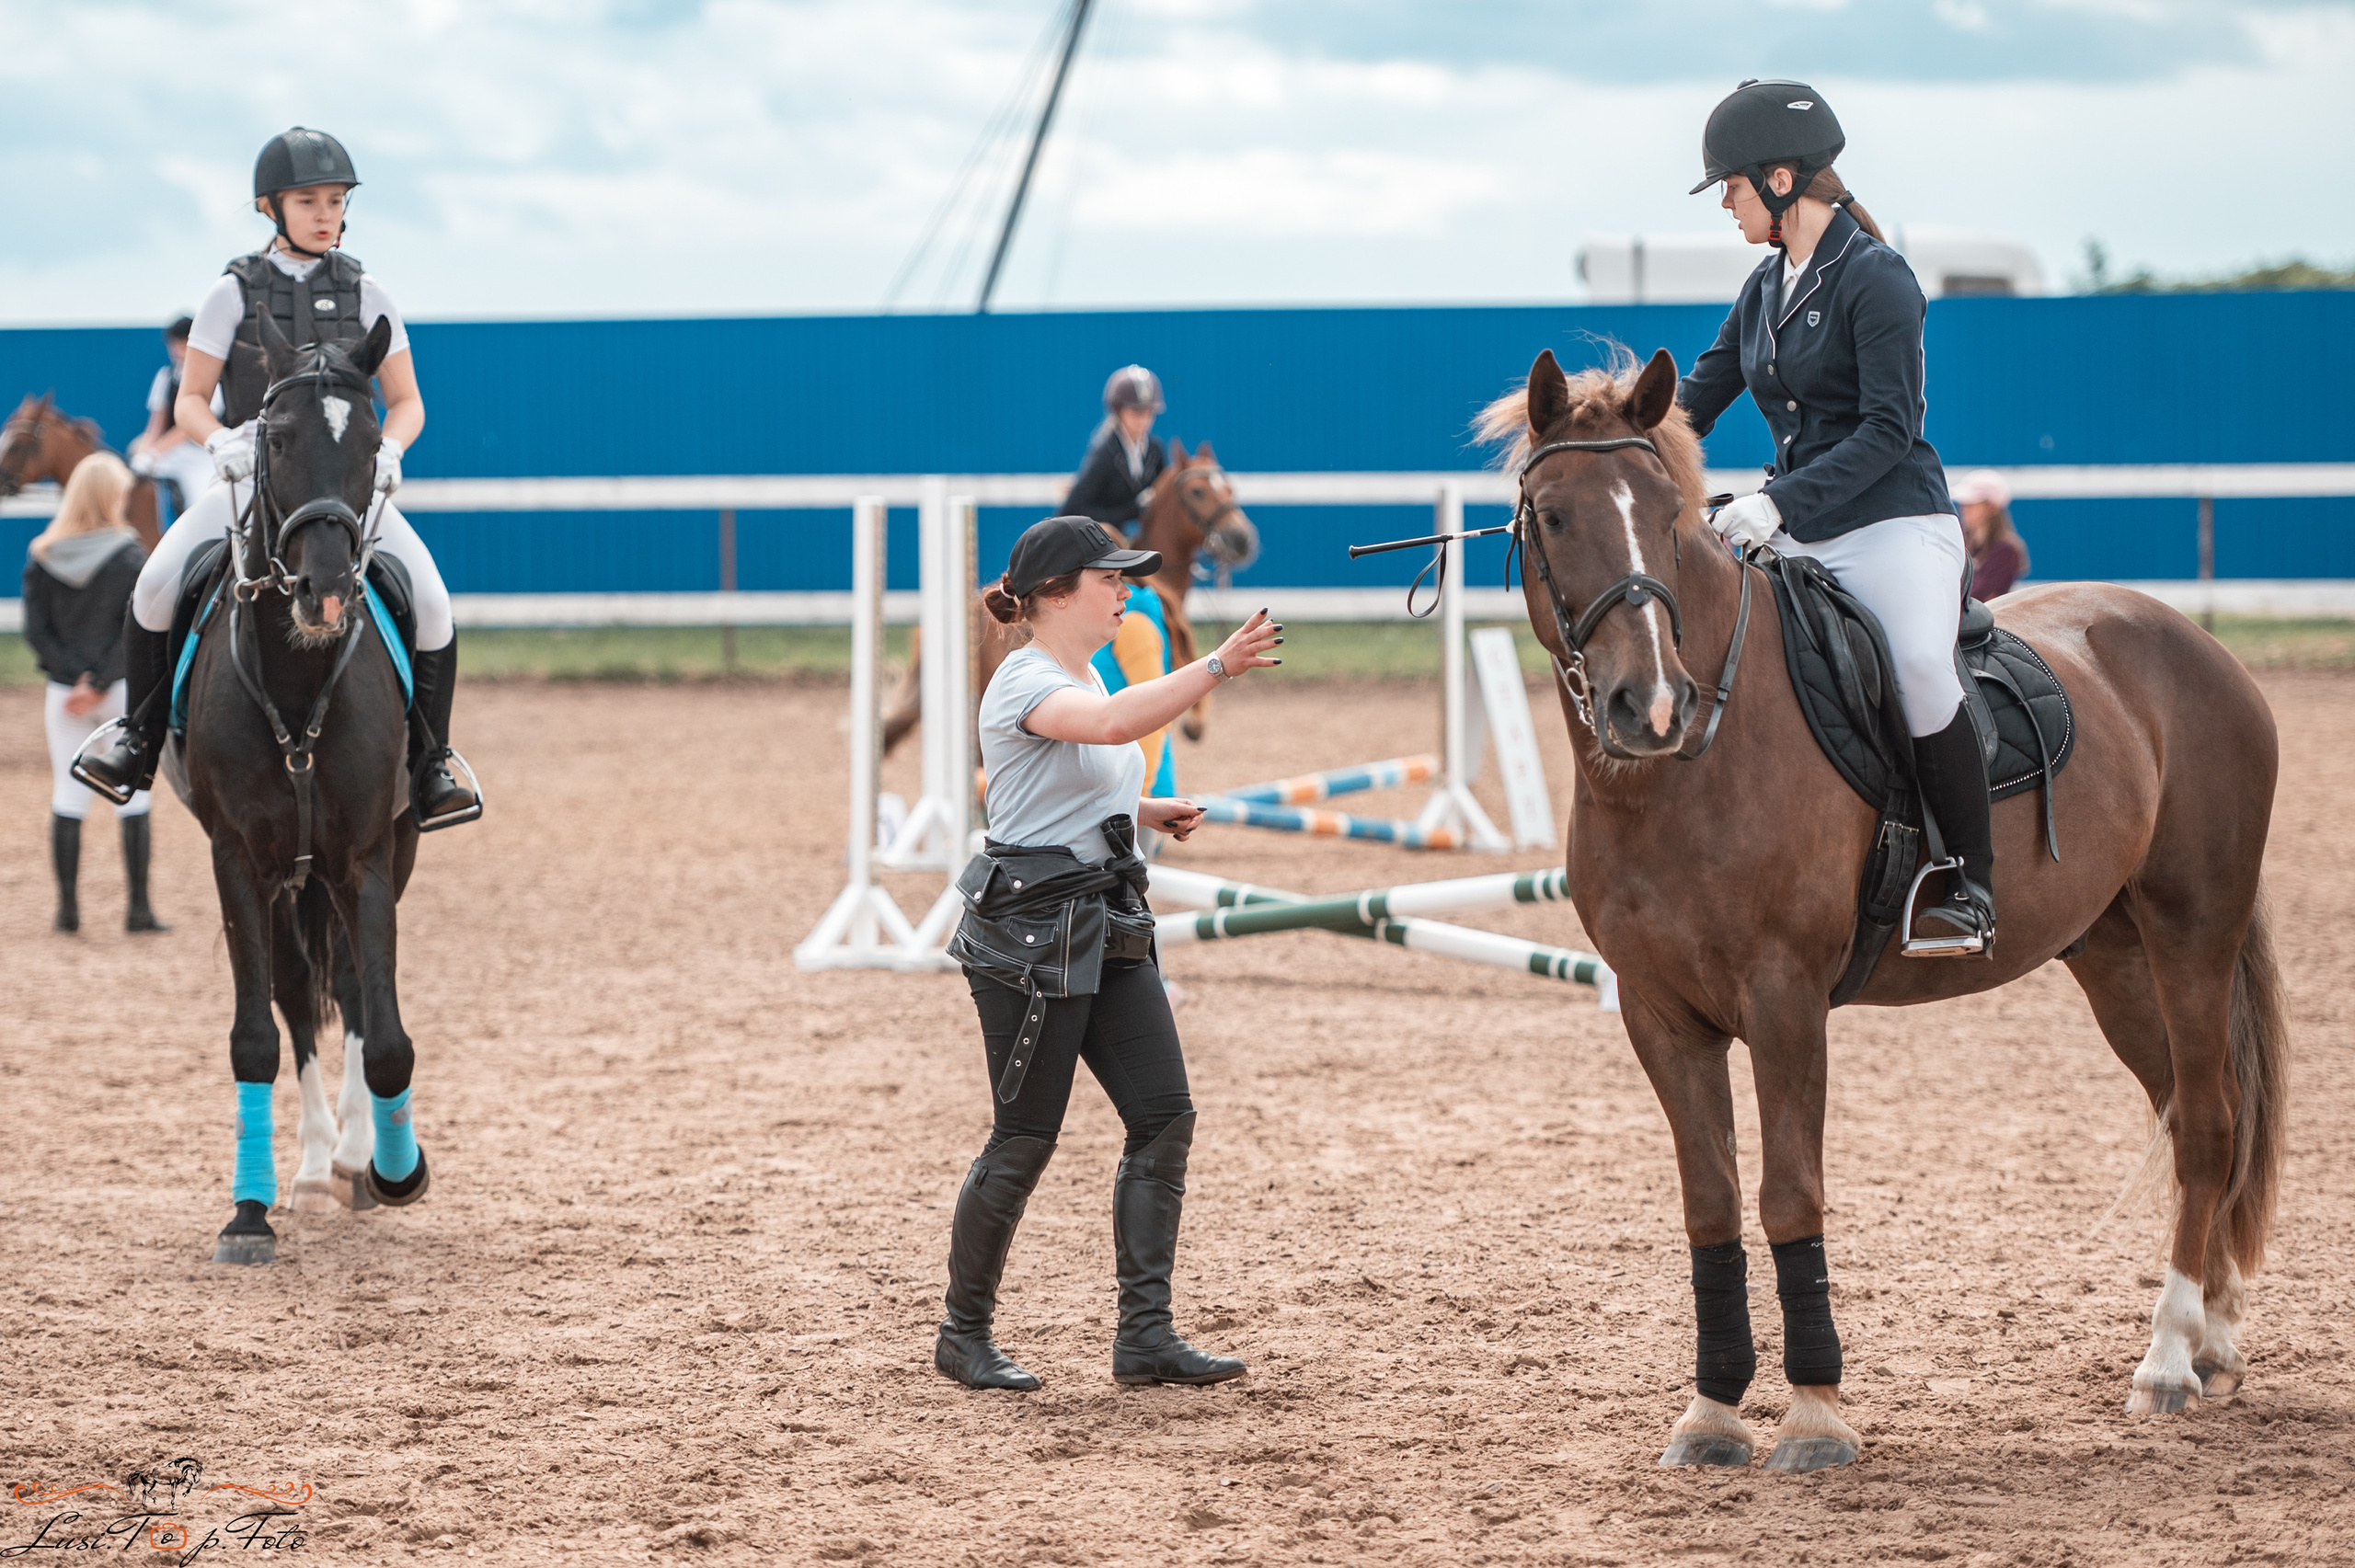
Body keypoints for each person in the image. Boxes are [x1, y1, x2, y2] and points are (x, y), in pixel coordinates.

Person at [936, 515, 1281, 1392]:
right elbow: (1111, 724)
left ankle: (1146, 1335)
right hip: (1031, 941)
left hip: (1103, 920)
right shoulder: (1025, 678)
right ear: (1055, 593)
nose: (1126, 589)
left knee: (1165, 1115)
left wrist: (1145, 812)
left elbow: (1083, 774)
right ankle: (962, 1332)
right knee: (1024, 1140)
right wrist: (1215, 668)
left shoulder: (1082, 667)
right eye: (1110, 578)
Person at [75, 127, 477, 831]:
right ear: (272, 207)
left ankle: (433, 762)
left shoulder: (368, 291)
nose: (325, 213)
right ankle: (136, 740)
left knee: (434, 602)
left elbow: (408, 399)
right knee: (155, 584)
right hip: (249, 473)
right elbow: (190, 399)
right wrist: (220, 438)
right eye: (308, 200)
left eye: (335, 200)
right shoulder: (231, 293)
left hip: (346, 481)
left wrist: (392, 450)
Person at [1677, 79, 1993, 951]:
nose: (1728, 207)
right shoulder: (1765, 287)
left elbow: (1891, 431)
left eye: (1732, 188)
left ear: (1780, 180)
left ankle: (1969, 880)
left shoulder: (1877, 279)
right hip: (1794, 528)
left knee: (1922, 666)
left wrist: (1775, 503)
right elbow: (1693, 402)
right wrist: (1607, 442)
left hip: (1892, 523)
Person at [22, 453, 166, 933]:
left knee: (68, 795)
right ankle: (139, 910)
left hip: (64, 697)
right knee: (135, 796)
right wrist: (100, 682)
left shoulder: (42, 556)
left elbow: (37, 633)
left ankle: (67, 912)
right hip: (118, 693)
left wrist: (73, 680)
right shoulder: (132, 558)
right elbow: (135, 634)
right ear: (110, 498)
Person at [125, 316, 219, 524]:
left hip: (201, 455)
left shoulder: (212, 377)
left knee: (200, 498)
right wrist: (147, 452)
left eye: (179, 343)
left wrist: (156, 452)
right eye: (172, 344)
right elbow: (157, 423)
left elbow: (189, 427)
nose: (175, 350)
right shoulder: (165, 377)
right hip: (170, 453)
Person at [1063, 365, 1166, 536]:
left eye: (1149, 412)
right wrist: (1129, 513)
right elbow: (1072, 509)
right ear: (1118, 410)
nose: (1144, 420)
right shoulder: (1105, 453)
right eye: (1136, 411)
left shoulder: (1155, 450)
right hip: (1104, 544)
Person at [1954, 470, 2029, 600]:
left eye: (1972, 503)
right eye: (1964, 503)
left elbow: (1977, 595)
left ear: (1991, 507)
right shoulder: (1961, 542)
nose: (1964, 508)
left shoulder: (2006, 550)